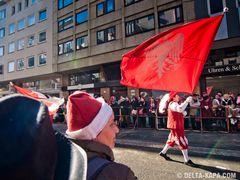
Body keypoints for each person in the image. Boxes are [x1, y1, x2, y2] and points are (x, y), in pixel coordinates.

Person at [65, 91, 137, 180]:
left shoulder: (59, 164)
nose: (117, 130)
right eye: (111, 124)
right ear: (94, 134)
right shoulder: (119, 174)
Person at [158, 92, 196, 167]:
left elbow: (179, 111)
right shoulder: (173, 104)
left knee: (171, 140)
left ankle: (163, 152)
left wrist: (182, 114)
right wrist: (186, 101)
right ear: (173, 97)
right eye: (177, 96)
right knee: (183, 141)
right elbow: (180, 109)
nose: (179, 97)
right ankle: (187, 160)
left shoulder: (174, 104)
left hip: (176, 126)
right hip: (176, 126)